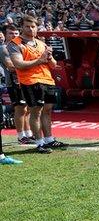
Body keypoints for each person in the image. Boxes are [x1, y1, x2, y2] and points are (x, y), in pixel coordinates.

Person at [8, 15, 68, 154]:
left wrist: (49, 57)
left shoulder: (41, 43)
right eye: (27, 26)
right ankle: (39, 143)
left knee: (47, 111)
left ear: (37, 27)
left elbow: (52, 64)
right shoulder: (15, 44)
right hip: (30, 81)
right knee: (35, 111)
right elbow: (19, 64)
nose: (30, 29)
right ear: (21, 27)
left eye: (33, 26)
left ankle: (49, 139)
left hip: (47, 79)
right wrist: (40, 60)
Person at [0, 24, 33, 144]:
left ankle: (28, 134)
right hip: (14, 82)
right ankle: (21, 136)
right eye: (11, 33)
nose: (14, 35)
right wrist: (31, 64)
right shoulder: (4, 48)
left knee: (28, 108)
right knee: (20, 109)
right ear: (5, 34)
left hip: (25, 80)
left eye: (16, 33)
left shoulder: (20, 46)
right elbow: (11, 66)